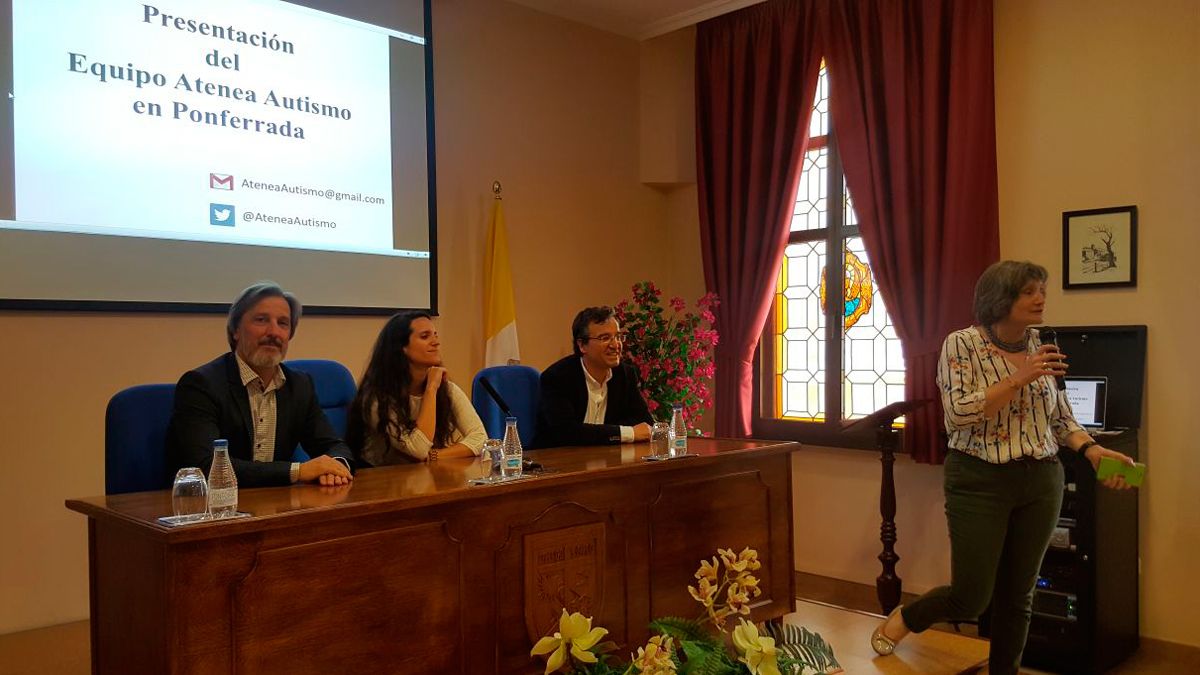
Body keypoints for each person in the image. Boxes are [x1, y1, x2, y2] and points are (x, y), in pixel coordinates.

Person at [870, 261, 1135, 674]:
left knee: (1019, 596)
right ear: (1001, 298)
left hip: (1043, 479)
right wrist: (1020, 376)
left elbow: (1059, 416)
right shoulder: (962, 344)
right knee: (972, 596)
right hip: (979, 479)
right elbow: (959, 413)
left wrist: (1091, 450)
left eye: (1041, 290)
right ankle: (908, 617)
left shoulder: (1042, 343)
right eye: (1029, 291)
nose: (1040, 298)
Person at [167, 282, 354, 488]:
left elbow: (333, 446)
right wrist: (298, 471)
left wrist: (336, 467)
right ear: (235, 330)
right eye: (261, 320)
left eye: (283, 323)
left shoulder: (300, 386)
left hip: (275, 505)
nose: (273, 332)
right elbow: (206, 466)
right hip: (213, 509)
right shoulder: (201, 385)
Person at [347, 311, 486, 465]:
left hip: (421, 477)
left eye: (435, 335)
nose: (436, 342)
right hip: (381, 479)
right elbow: (418, 449)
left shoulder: (446, 388)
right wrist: (431, 389)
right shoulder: (377, 397)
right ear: (401, 347)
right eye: (425, 336)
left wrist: (434, 456)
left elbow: (480, 438)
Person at [536, 306, 653, 447]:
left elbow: (644, 423)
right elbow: (566, 432)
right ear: (582, 345)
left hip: (608, 458)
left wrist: (604, 433)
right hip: (561, 461)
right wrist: (628, 433)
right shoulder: (557, 378)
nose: (616, 345)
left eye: (617, 336)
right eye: (605, 338)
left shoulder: (625, 374)